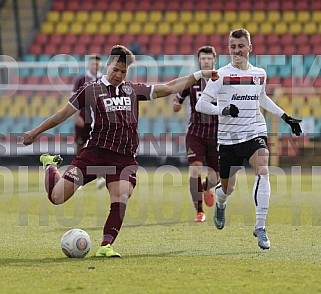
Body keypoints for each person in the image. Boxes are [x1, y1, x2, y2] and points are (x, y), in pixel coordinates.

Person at [23, 44, 218, 257]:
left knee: (121, 194)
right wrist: (35, 132)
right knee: (57, 197)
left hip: (124, 159)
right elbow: (61, 114)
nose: (118, 75)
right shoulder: (91, 90)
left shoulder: (133, 90)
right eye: (115, 69)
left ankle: (106, 245)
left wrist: (200, 74)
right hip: (95, 154)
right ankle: (49, 164)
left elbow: (170, 87)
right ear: (108, 64)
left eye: (123, 72)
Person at [195, 28, 302, 249]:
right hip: (228, 139)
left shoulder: (259, 73)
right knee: (228, 189)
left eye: (241, 46)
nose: (236, 50)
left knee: (263, 170)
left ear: (249, 48)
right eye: (232, 47)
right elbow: (201, 104)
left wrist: (285, 117)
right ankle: (221, 202)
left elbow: (261, 97)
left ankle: (260, 226)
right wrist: (223, 111)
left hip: (254, 131)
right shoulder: (220, 75)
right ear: (228, 49)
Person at [173, 46, 220, 222]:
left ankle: (205, 188)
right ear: (198, 61)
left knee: (215, 178)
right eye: (203, 59)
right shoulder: (192, 81)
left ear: (214, 60)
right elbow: (178, 98)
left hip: (217, 134)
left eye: (209, 59)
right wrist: (176, 104)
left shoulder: (221, 81)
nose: (206, 61)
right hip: (196, 132)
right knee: (195, 170)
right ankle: (199, 211)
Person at [73, 54, 105, 189]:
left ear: (100, 65)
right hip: (83, 117)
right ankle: (77, 176)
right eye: (93, 63)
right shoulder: (81, 79)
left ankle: (99, 176)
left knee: (97, 148)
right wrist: (77, 116)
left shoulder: (102, 79)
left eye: (97, 63)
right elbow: (74, 99)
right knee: (80, 146)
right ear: (89, 64)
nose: (95, 65)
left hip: (97, 120)